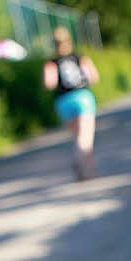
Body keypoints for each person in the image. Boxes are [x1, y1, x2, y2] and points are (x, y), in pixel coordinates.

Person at [43, 27, 100, 180]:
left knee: (78, 136)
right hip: (82, 97)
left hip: (63, 101)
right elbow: (94, 77)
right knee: (86, 136)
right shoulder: (80, 57)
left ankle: (87, 167)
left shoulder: (51, 62)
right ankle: (82, 163)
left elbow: (50, 83)